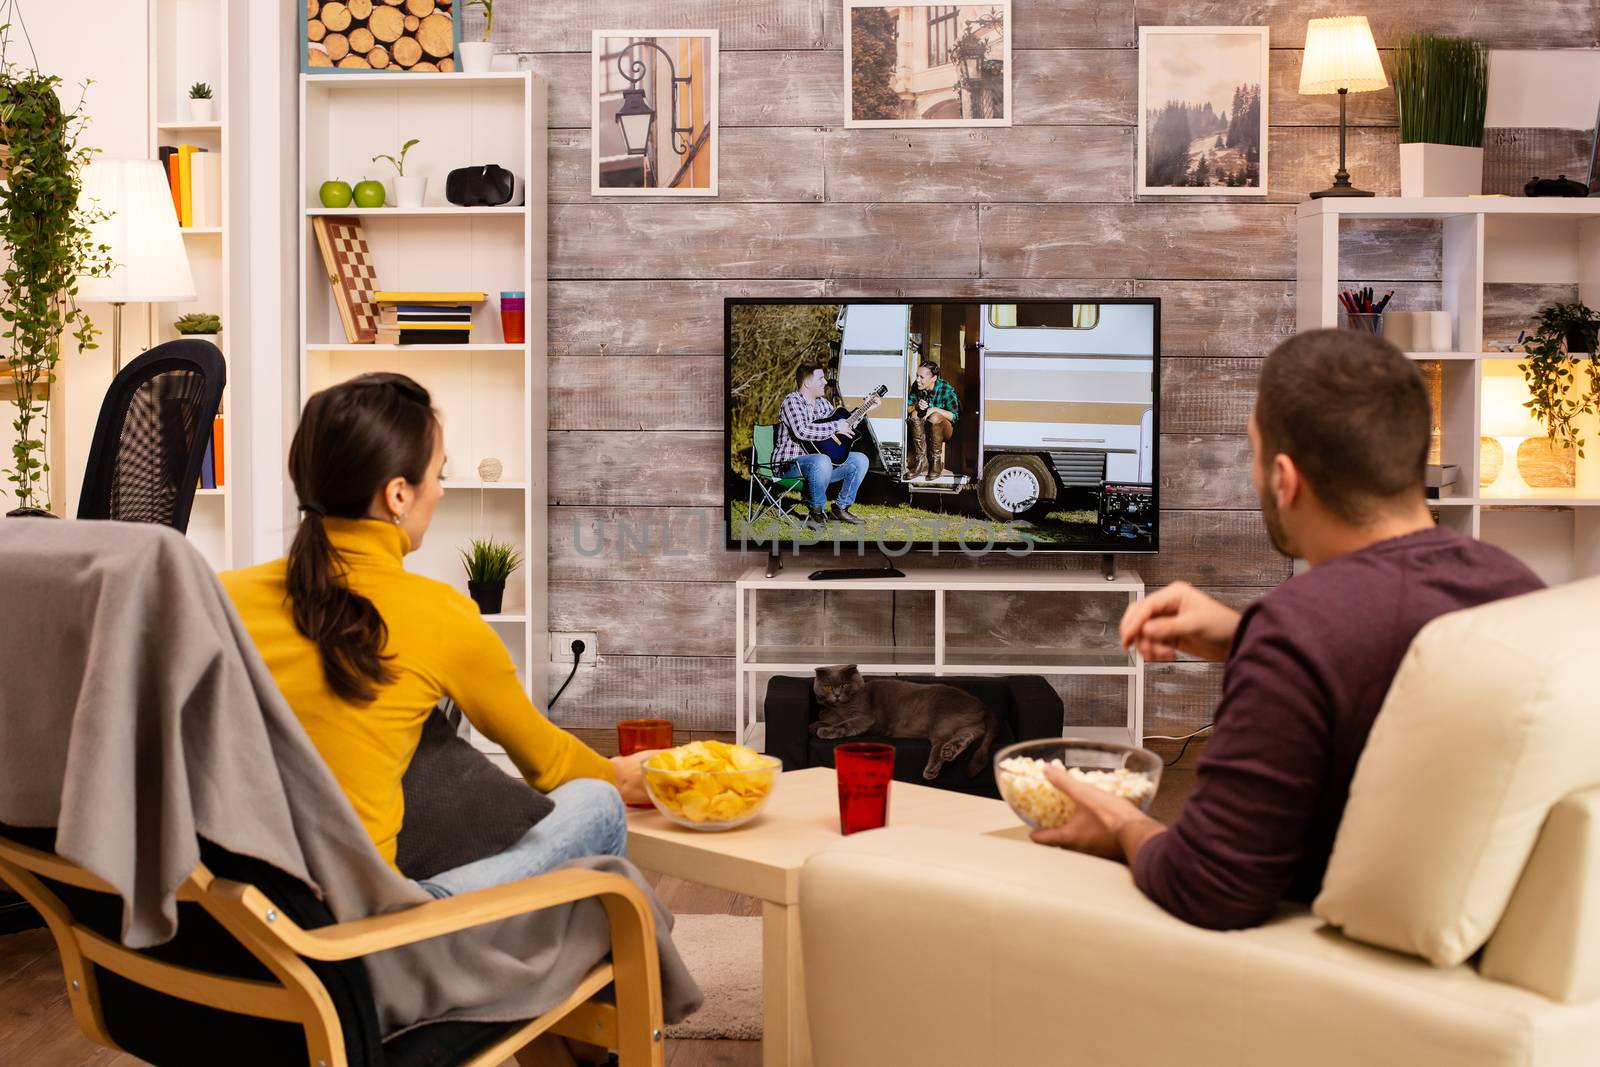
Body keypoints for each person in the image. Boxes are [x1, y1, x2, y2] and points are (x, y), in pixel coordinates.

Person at [1030, 330, 1544, 930]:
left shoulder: (1300, 631)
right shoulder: (1513, 585)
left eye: (1252, 454)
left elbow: (1209, 887)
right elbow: (1407, 658)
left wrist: (1121, 824)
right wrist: (1247, 635)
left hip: (1323, 979)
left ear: (1284, 478)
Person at [222, 373, 654, 899]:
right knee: (599, 804)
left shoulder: (218, 596)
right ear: (399, 494)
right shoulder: (441, 614)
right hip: (363, 939)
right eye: (439, 474)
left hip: (229, 923)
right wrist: (623, 777)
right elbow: (550, 764)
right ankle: (616, 970)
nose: (443, 490)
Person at [773, 362, 878, 528]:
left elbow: (845, 425)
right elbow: (802, 431)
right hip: (790, 464)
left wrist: (865, 409)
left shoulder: (823, 404)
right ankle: (817, 512)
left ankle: (841, 508)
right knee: (821, 460)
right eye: (820, 378)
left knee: (860, 460)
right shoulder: (792, 402)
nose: (825, 382)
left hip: (823, 466)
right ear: (807, 383)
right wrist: (836, 426)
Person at [906, 360, 959, 479]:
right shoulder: (916, 386)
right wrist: (917, 406)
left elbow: (955, 416)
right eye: (917, 376)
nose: (918, 380)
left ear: (933, 378)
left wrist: (934, 409)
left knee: (934, 417)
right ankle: (921, 461)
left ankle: (936, 462)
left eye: (922, 377)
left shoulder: (946, 389)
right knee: (914, 414)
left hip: (944, 431)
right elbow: (907, 408)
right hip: (924, 429)